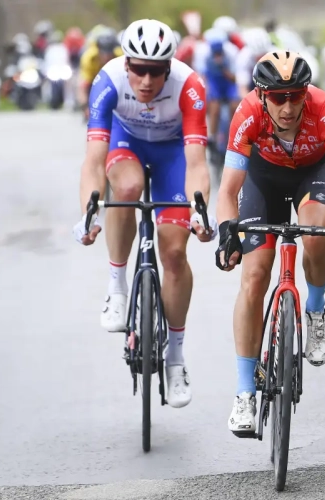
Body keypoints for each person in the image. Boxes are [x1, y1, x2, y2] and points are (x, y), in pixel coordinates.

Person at [214, 50, 325, 435]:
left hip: (312, 175)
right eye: (278, 97)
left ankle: (315, 309)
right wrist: (227, 232)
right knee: (254, 277)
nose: (287, 106)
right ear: (261, 95)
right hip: (262, 180)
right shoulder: (247, 112)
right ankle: (244, 392)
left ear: (306, 93)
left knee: (316, 235)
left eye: (295, 96)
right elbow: (228, 190)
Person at [73, 18, 214, 409]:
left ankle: (176, 359)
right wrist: (89, 213)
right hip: (127, 144)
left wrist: (200, 210)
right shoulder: (108, 80)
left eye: (156, 71)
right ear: (126, 63)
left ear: (169, 67)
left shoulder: (190, 86)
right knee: (127, 188)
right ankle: (116, 287)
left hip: (173, 155)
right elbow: (93, 161)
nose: (147, 81)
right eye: (138, 69)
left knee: (174, 253)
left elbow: (197, 163)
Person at [198, 28, 240, 161]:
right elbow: (201, 77)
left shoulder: (232, 52)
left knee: (235, 106)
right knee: (214, 107)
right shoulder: (202, 52)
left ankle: (234, 136)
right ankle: (213, 138)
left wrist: (224, 70)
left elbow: (237, 78)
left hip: (228, 82)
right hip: (214, 82)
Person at [77, 31, 123, 118]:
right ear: (98, 50)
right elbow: (83, 86)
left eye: (109, 53)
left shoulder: (120, 56)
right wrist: (85, 107)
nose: (106, 56)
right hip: (93, 78)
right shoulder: (89, 58)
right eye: (103, 53)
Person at [234, 27, 274, 99]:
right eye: (258, 57)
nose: (261, 59)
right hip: (252, 80)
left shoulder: (275, 53)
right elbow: (243, 88)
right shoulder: (243, 57)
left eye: (263, 55)